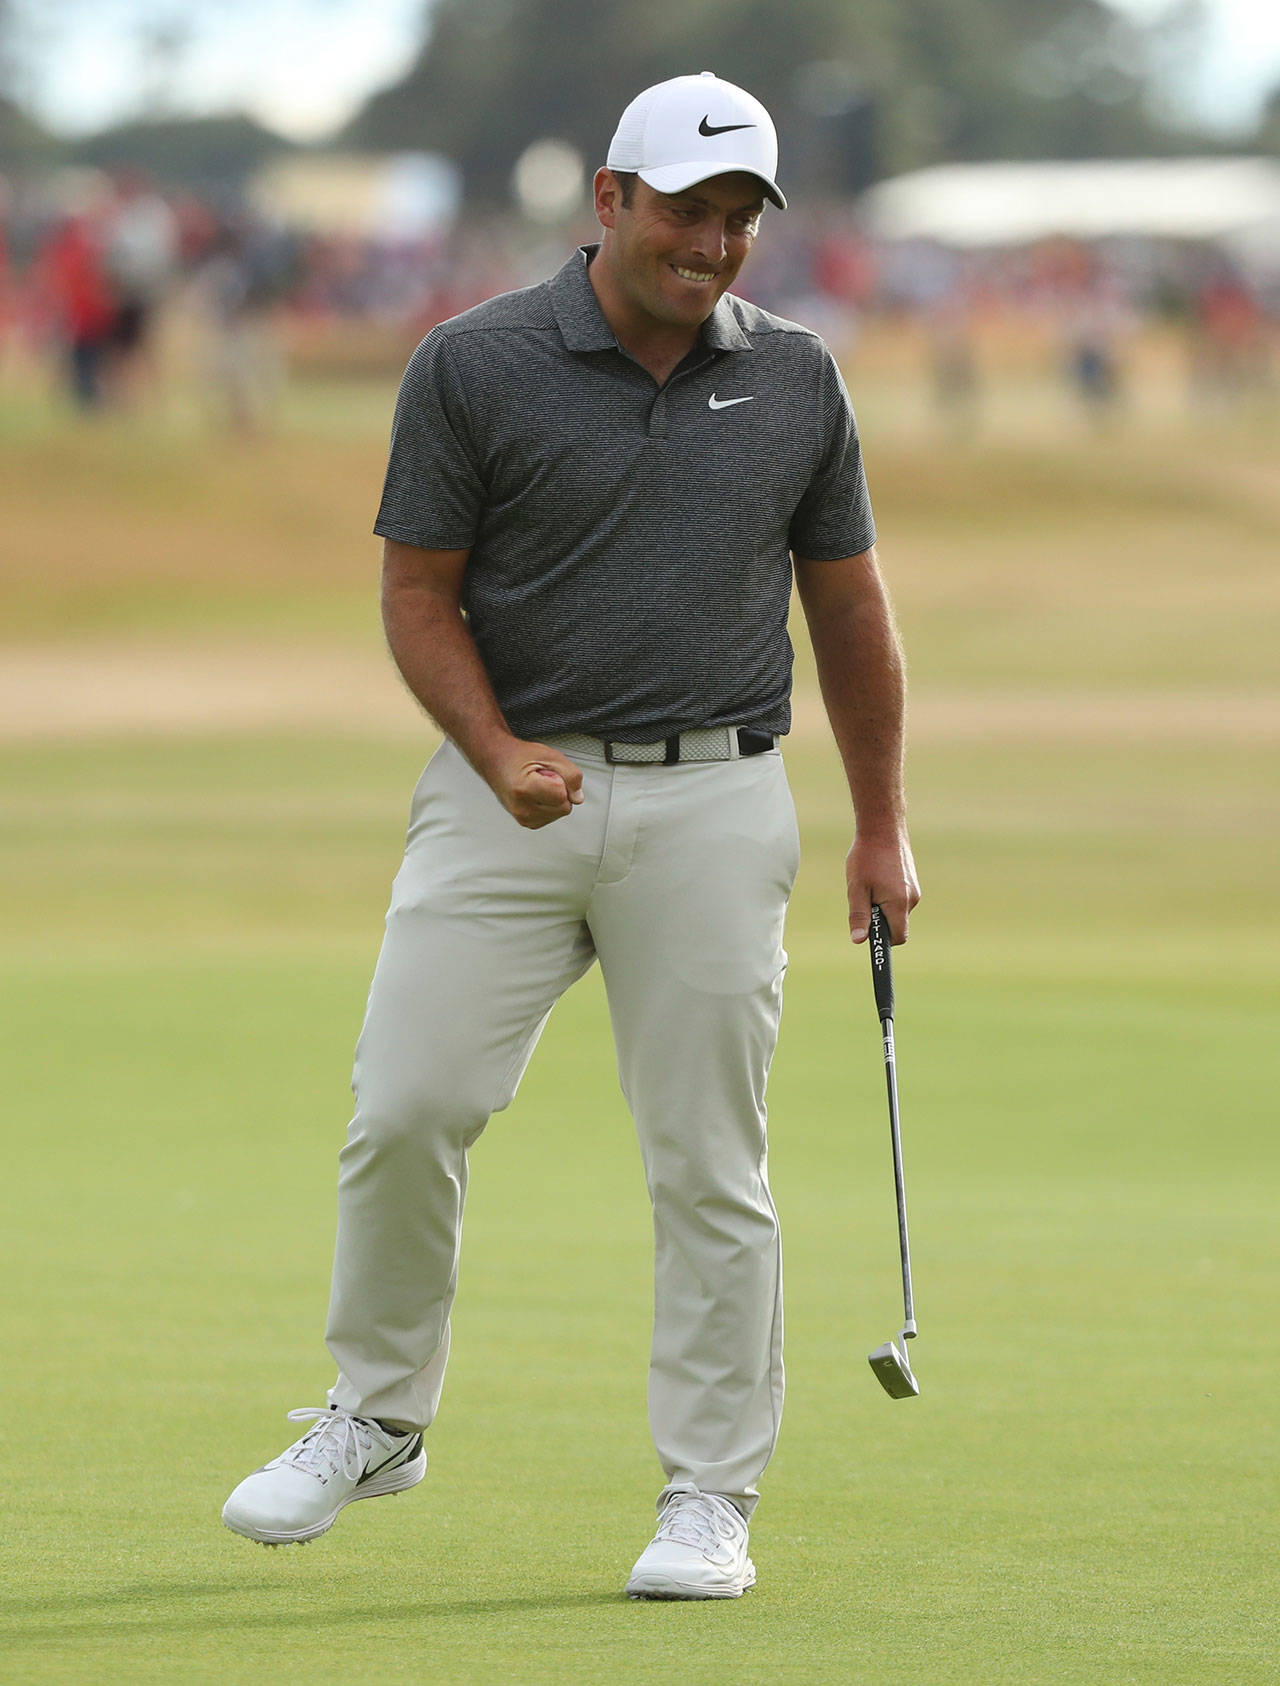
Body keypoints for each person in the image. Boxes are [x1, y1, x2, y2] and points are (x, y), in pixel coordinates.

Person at [223, 71, 920, 1599]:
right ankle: (378, 1415)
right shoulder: (473, 365)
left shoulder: (799, 378)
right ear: (609, 200)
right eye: (688, 209)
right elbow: (417, 593)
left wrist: (881, 825)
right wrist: (493, 750)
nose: (716, 242)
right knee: (406, 1103)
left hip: (719, 795)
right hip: (507, 793)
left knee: (706, 1163)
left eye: (741, 216)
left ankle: (708, 1497)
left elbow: (849, 607)